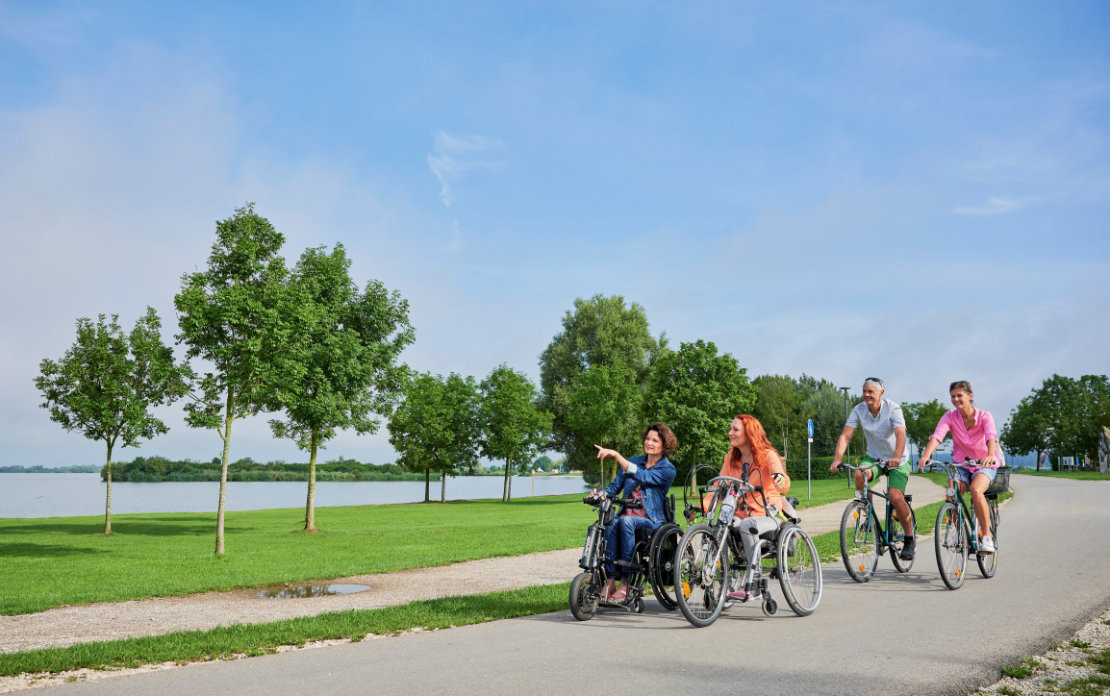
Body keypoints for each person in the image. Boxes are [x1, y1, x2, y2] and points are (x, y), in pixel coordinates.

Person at [700, 414, 790, 602]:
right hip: (741, 514)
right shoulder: (730, 458)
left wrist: (779, 479)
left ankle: (755, 584)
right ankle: (725, 584)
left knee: (748, 524)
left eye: (735, 429)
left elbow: (783, 480)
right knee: (720, 527)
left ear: (749, 433)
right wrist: (703, 506)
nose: (730, 433)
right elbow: (719, 488)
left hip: (768, 513)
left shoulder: (767, 455)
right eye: (730, 429)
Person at [830, 377, 916, 560]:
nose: (867, 395)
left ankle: (909, 538)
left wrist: (897, 457)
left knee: (895, 496)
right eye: (864, 391)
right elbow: (845, 436)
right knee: (859, 474)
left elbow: (901, 434)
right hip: (875, 458)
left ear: (881, 393)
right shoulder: (859, 410)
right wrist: (837, 459)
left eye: (871, 391)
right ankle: (869, 518)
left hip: (898, 460)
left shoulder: (893, 409)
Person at [591, 422, 678, 602]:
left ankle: (626, 583)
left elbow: (644, 476)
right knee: (611, 521)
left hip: (651, 520)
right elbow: (614, 488)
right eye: (648, 439)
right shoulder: (634, 460)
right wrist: (599, 495)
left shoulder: (668, 469)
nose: (649, 443)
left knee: (626, 521)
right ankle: (611, 581)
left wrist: (617, 456)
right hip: (627, 516)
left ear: (664, 445)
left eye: (655, 440)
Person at [917, 381, 1003, 554]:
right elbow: (937, 436)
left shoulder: (985, 416)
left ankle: (987, 537)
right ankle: (959, 534)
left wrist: (990, 455)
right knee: (951, 496)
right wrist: (926, 456)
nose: (956, 399)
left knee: (976, 491)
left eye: (959, 395)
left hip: (984, 463)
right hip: (961, 464)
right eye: (953, 396)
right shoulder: (950, 417)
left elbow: (991, 437)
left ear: (970, 396)